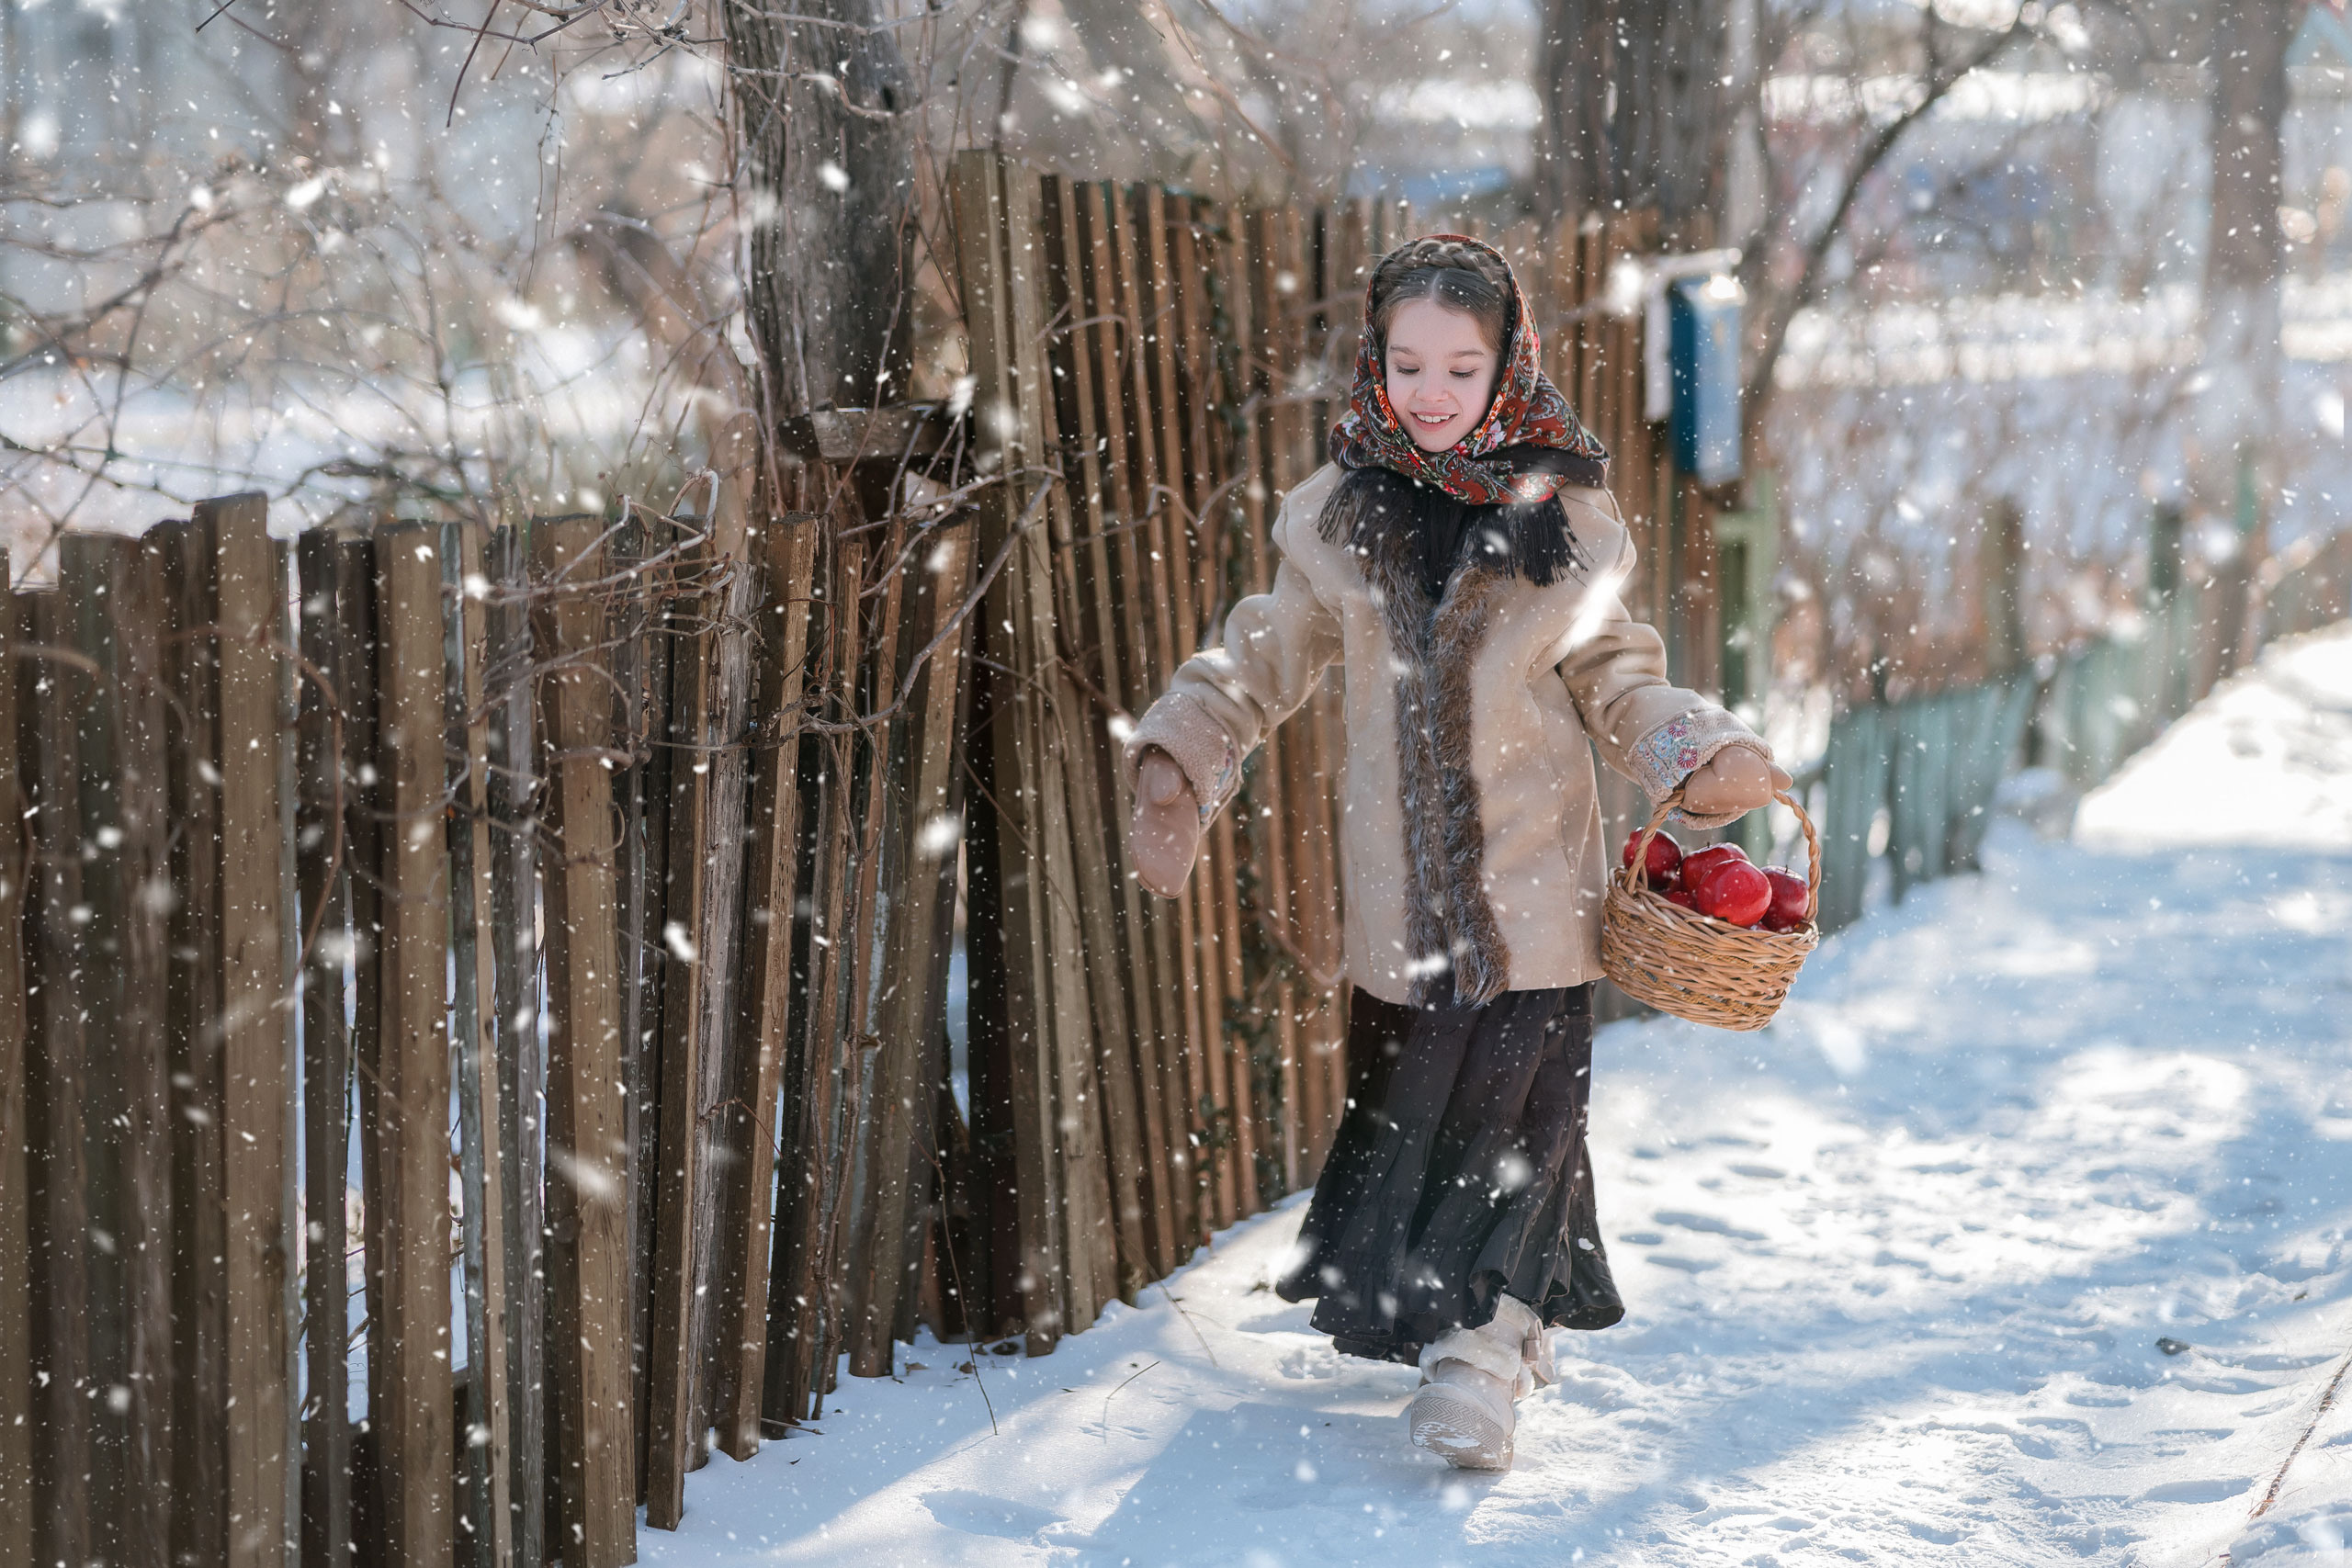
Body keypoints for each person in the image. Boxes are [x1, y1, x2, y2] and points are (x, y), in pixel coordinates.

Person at [1121, 234, 1787, 1472]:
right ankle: (1477, 1325)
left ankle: (1482, 1357)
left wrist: (1695, 751)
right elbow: (1260, 653)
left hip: (1535, 894)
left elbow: (1616, 673)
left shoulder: (1569, 524)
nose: (1432, 391)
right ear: (1377, 361)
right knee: (1425, 1123)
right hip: (1399, 909)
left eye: (1461, 366)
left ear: (1506, 366)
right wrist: (1185, 751)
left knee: (1516, 1123)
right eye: (1409, 361)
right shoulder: (1336, 522)